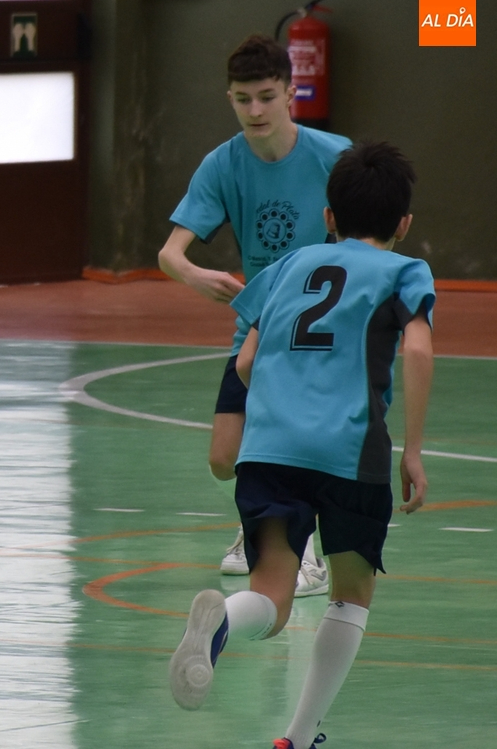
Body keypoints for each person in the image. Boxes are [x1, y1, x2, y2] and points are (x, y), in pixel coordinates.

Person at [168, 141, 434, 748]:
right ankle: (298, 734)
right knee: (350, 596)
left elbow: (246, 362)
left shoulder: (288, 266)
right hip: (350, 453)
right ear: (403, 224)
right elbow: (417, 351)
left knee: (271, 594)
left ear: (329, 216)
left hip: (269, 450)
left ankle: (222, 623)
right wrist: (414, 450)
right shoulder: (404, 271)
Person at [158, 34, 352, 595]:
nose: (256, 110)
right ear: (230, 98)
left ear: (291, 92)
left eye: (267, 96)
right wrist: (196, 275)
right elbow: (170, 254)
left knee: (296, 446)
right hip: (259, 329)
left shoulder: (335, 157)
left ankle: (302, 548)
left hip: (321, 331)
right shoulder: (223, 164)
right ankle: (257, 523)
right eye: (243, 99)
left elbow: (369, 238)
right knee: (225, 459)